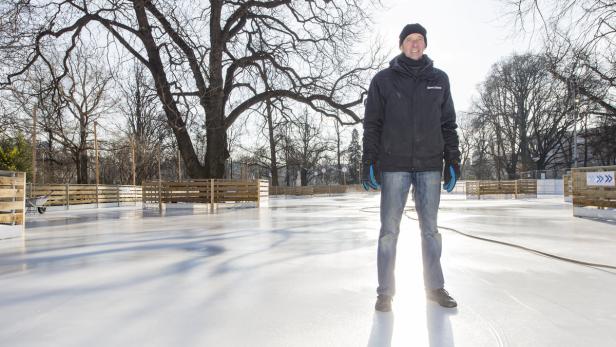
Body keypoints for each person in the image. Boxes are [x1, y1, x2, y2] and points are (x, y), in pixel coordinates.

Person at [361, 23, 461, 311]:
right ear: (401, 44)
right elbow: (372, 124)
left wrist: (453, 160)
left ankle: (435, 288)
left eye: (419, 40)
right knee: (389, 231)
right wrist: (369, 160)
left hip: (430, 165)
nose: (415, 44)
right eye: (409, 40)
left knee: (430, 230)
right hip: (394, 165)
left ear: (425, 45)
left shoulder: (440, 79)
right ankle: (385, 292)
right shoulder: (383, 80)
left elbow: (448, 124)